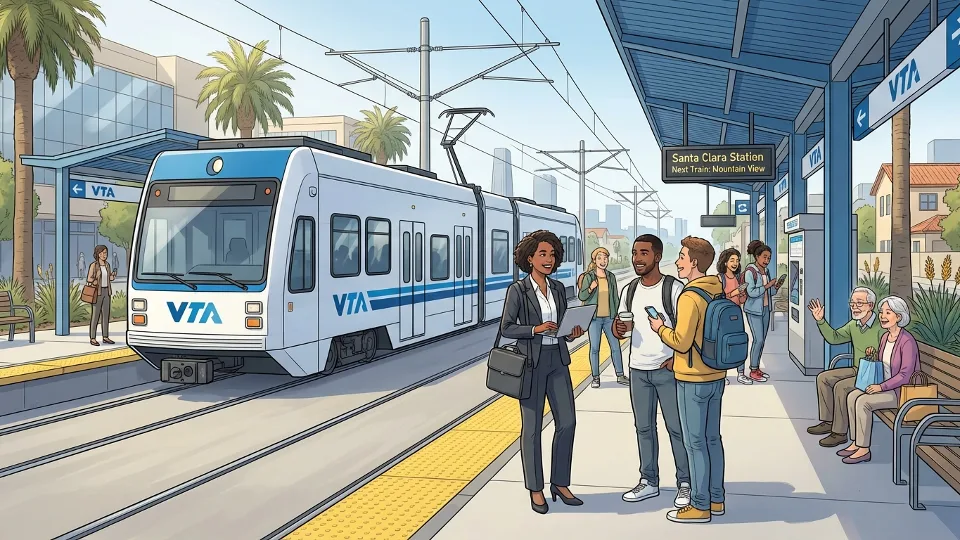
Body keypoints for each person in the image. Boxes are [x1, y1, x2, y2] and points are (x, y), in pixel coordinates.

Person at [500, 230, 585, 514]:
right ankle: (535, 489)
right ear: (529, 258)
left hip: (557, 360)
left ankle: (560, 483)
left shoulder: (559, 289)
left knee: (568, 423)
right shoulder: (518, 290)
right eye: (542, 255)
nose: (548, 260)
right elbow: (507, 328)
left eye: (552, 255)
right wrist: (535, 329)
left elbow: (563, 326)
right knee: (532, 429)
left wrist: (571, 332)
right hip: (532, 363)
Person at [650, 236, 726, 524]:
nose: (678, 262)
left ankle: (699, 505)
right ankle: (717, 499)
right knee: (712, 440)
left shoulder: (689, 296)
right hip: (716, 374)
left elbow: (681, 342)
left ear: (694, 262)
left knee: (694, 444)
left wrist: (660, 328)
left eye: (682, 257)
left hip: (692, 378)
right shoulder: (716, 290)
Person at [612, 234, 690, 508]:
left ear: (657, 256)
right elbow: (620, 327)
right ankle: (649, 481)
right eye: (635, 253)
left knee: (677, 429)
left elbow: (687, 331)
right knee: (643, 428)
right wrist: (619, 329)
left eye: (643, 253)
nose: (637, 259)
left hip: (667, 370)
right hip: (638, 370)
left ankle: (685, 483)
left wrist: (677, 359)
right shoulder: (629, 290)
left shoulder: (674, 289)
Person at [838, 296, 919, 464]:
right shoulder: (885, 338)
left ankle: (864, 449)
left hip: (899, 393)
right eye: (882, 312)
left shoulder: (907, 341)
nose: (882, 315)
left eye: (888, 312)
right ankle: (855, 442)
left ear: (898, 316)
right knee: (853, 396)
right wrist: (871, 355)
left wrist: (881, 387)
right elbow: (884, 365)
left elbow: (905, 375)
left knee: (863, 402)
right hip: (886, 387)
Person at [805, 288, 883, 448]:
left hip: (874, 374)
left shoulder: (880, 327)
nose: (854, 306)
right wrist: (820, 320)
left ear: (871, 305)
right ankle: (828, 421)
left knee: (841, 387)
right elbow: (834, 338)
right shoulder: (854, 325)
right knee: (823, 378)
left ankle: (839, 433)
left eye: (859, 303)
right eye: (852, 303)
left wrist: (875, 356)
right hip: (857, 369)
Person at [578, 247, 627, 388]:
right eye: (599, 258)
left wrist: (618, 315)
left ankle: (620, 374)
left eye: (605, 258)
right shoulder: (589, 277)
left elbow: (615, 298)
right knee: (594, 348)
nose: (603, 261)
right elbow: (582, 296)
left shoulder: (611, 277)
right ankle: (595, 377)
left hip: (609, 318)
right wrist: (591, 288)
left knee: (615, 347)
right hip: (594, 319)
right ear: (594, 260)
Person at [741, 240, 781, 383]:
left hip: (765, 308)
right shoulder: (750, 272)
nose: (767, 260)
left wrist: (775, 287)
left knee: (762, 341)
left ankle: (756, 368)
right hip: (753, 310)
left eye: (769, 258)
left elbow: (770, 293)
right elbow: (751, 292)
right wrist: (767, 285)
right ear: (757, 256)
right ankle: (753, 370)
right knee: (758, 340)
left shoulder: (767, 271)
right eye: (764, 257)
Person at [716, 248, 748, 384]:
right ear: (725, 262)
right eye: (732, 260)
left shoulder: (737, 278)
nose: (735, 263)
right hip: (723, 316)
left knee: (739, 341)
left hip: (737, 314)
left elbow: (741, 300)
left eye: (737, 260)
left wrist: (742, 294)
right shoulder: (719, 278)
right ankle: (722, 375)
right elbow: (717, 298)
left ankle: (741, 373)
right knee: (722, 343)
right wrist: (733, 293)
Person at [86, 245, 117, 347]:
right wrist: (95, 281)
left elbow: (109, 279)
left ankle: (105, 337)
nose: (104, 255)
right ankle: (93, 338)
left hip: (106, 292)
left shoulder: (107, 265)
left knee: (106, 316)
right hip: (97, 292)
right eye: (102, 253)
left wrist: (112, 276)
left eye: (105, 253)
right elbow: (89, 278)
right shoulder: (94, 265)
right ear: (98, 254)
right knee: (95, 316)